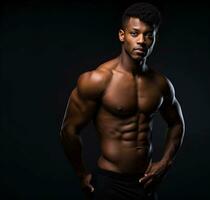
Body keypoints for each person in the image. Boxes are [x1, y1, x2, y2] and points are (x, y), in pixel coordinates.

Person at [60, 2, 185, 200]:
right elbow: (69, 130)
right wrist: (81, 173)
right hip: (110, 183)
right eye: (134, 33)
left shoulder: (161, 84)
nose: (142, 41)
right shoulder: (98, 80)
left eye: (148, 34)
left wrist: (165, 163)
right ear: (122, 35)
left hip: (145, 183)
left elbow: (177, 123)